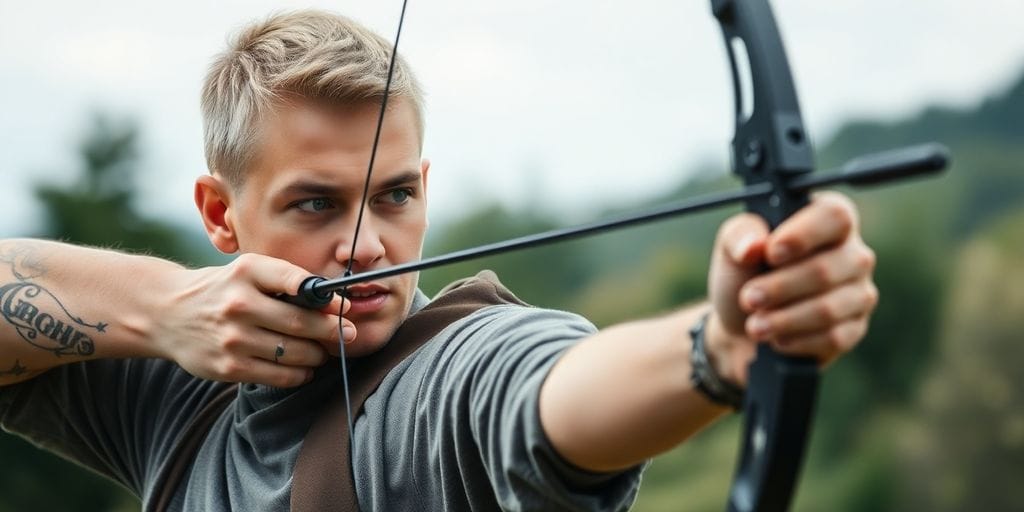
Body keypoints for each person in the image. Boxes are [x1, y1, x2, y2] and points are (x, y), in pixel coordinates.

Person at [0, 9, 878, 511]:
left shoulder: (443, 372)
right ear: (221, 216)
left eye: (394, 197)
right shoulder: (182, 389)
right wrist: (164, 311)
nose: (369, 246)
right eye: (316, 204)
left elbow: (542, 393)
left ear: (425, 183)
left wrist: (722, 345)